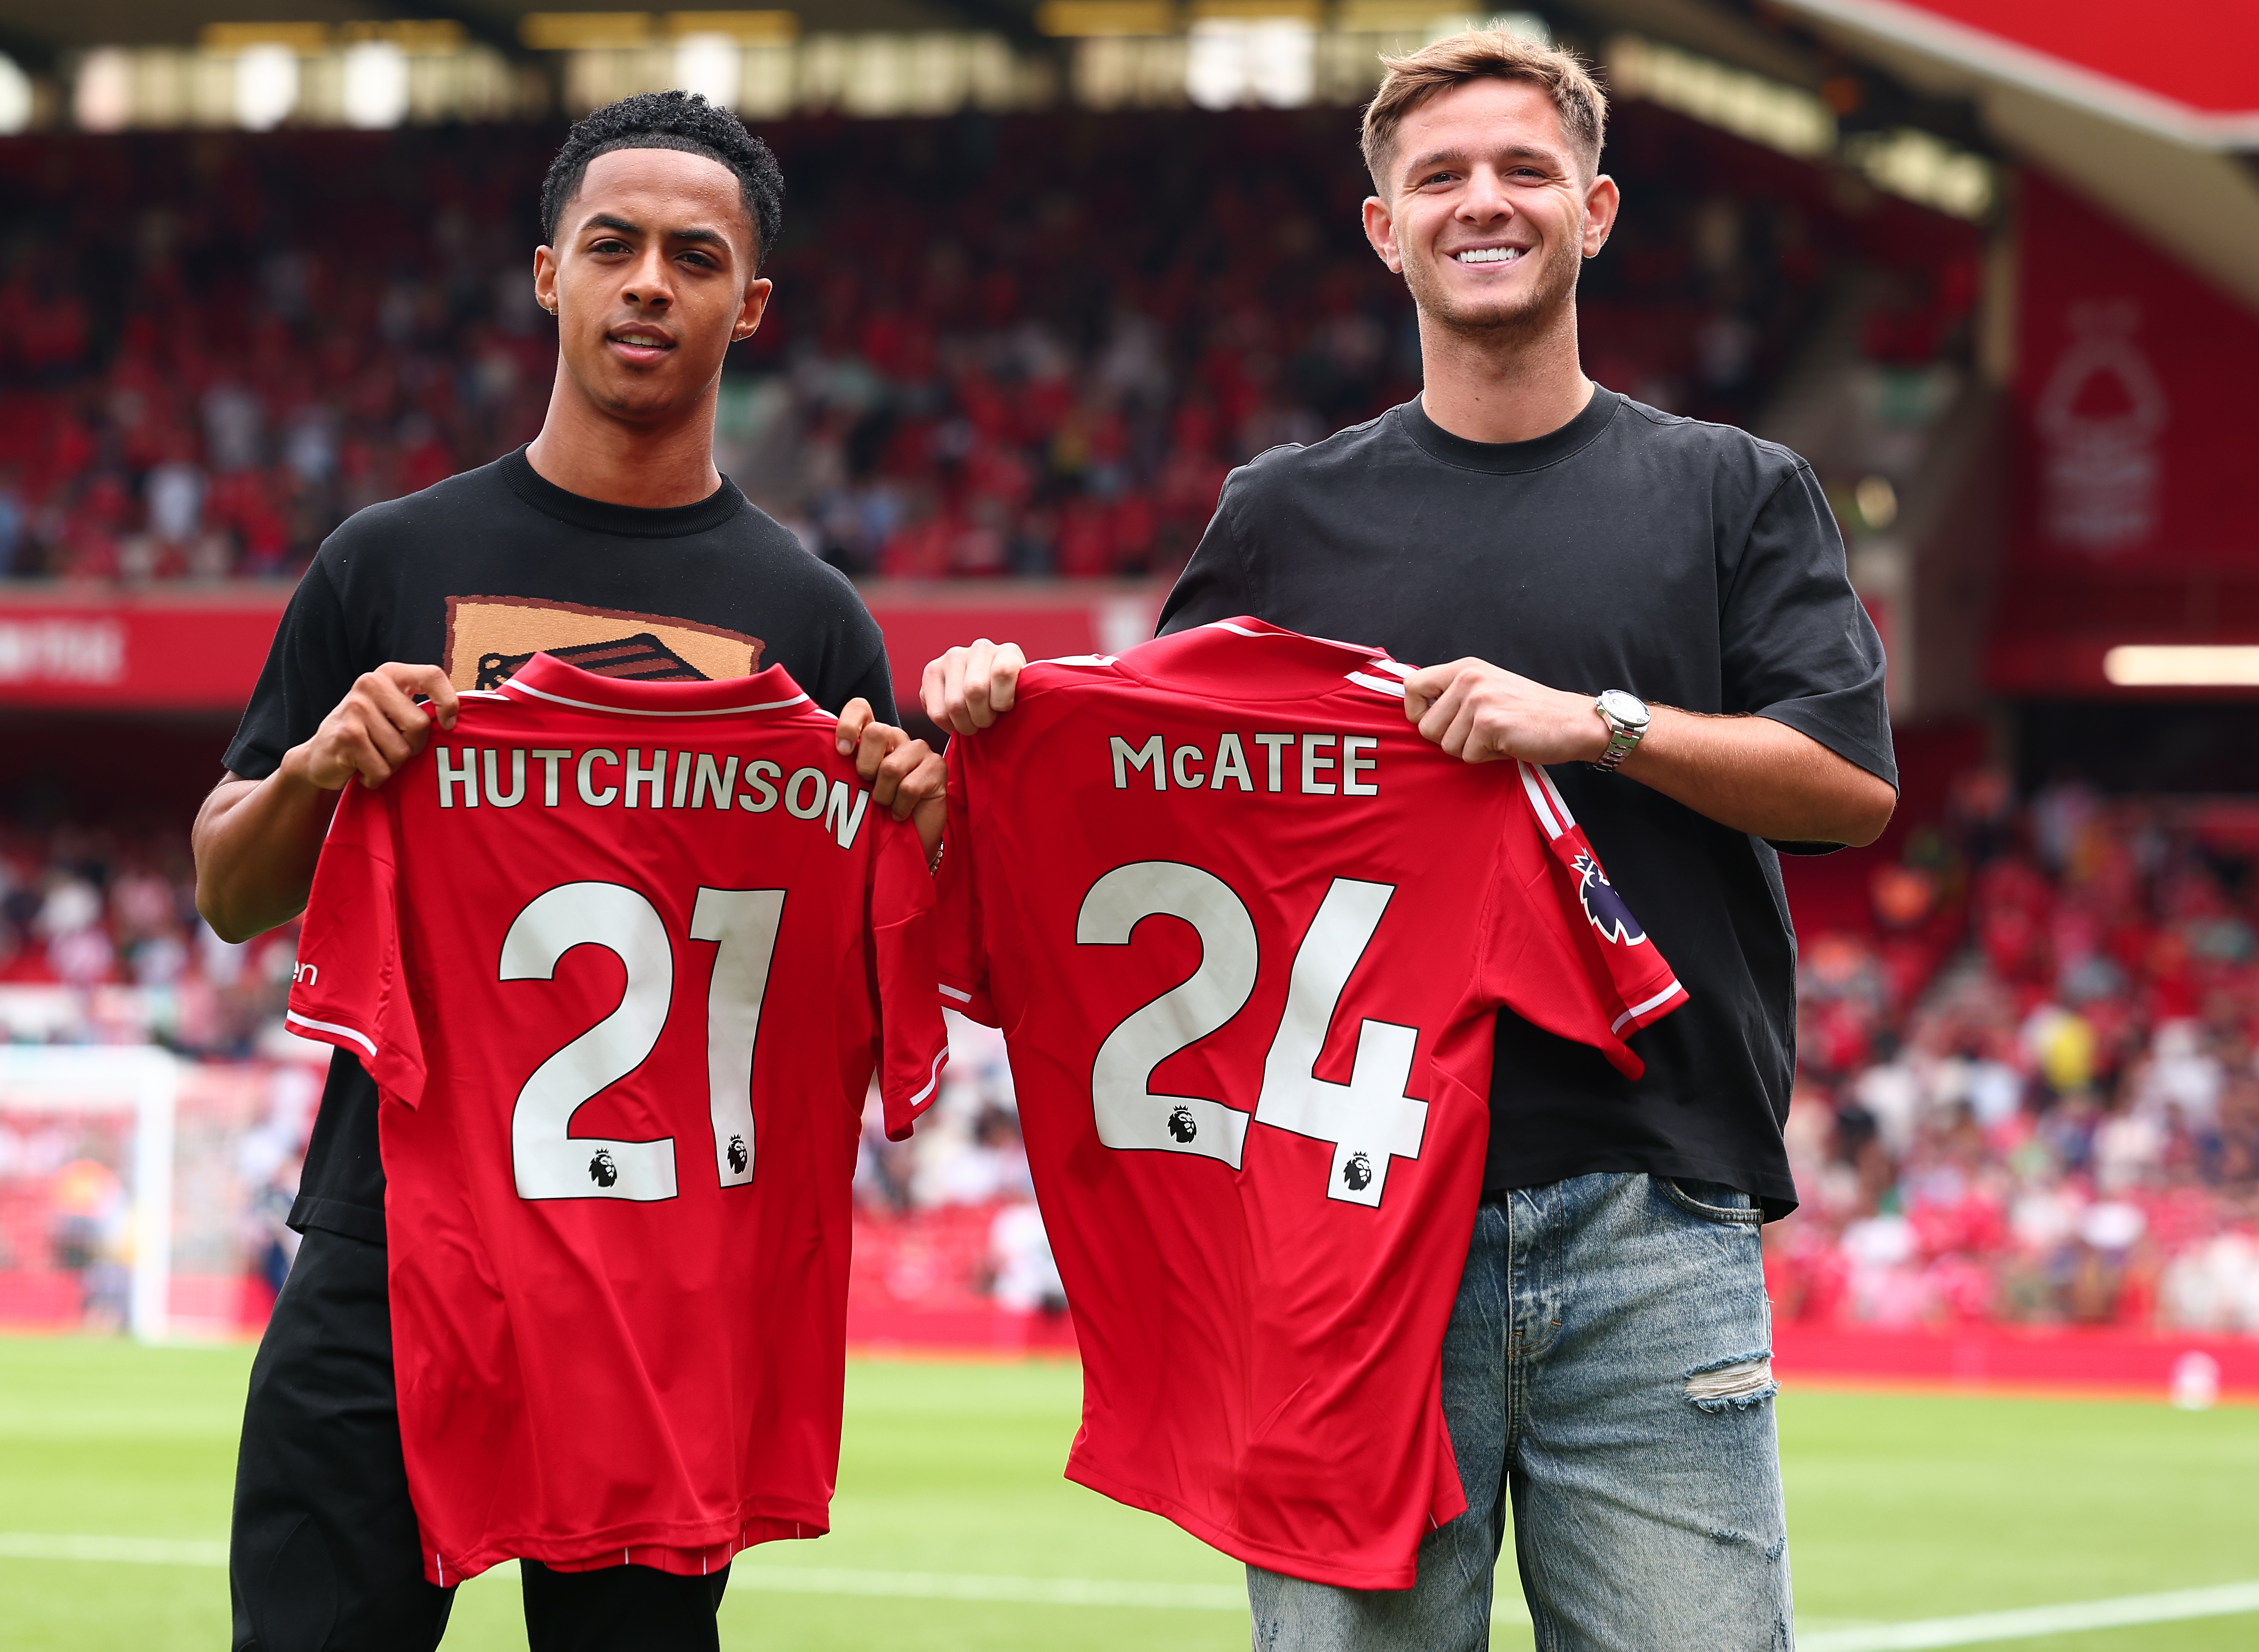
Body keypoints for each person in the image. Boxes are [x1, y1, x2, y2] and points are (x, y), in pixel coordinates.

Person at [923, 32, 1895, 1652]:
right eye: (1437, 177)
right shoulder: (1285, 513)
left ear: (1595, 211)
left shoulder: (1735, 491)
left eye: (1522, 170)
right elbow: (1148, 786)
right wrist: (1000, 709)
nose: (1481, 203)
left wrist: (1594, 722)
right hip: (1342, 1222)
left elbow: (1847, 784)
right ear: (1384, 230)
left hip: (1651, 1212)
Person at [194, 92, 938, 1652]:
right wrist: (322, 772)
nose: (649, 282)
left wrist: (924, 820)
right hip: (393, 1245)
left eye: (694, 255)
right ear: (550, 275)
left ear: (754, 301)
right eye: (614, 246)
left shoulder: (813, 623)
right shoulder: (386, 562)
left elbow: (882, 970)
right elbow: (227, 887)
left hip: (660, 1277)